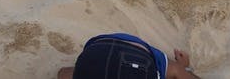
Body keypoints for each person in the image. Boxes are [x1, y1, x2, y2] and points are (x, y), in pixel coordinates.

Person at [57, 34, 200, 79]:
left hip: (99, 49)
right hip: (101, 54)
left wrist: (183, 67)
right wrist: (184, 67)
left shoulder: (161, 68)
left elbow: (176, 71)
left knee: (66, 73)